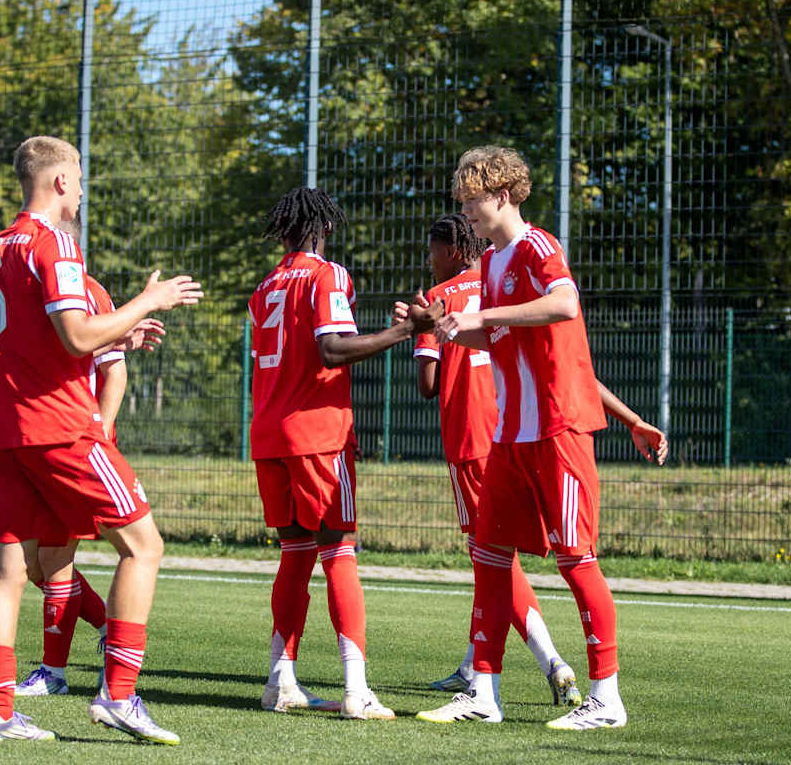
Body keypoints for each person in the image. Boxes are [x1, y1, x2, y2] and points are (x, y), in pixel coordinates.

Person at [417, 146, 666, 730]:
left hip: (558, 430)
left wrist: (477, 319)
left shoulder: (538, 246)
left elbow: (564, 305)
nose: (466, 211)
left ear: (502, 195)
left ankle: (606, 697)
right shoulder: (497, 264)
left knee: (576, 560)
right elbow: (501, 340)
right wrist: (449, 330)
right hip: (512, 436)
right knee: (489, 554)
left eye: (472, 200)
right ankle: (484, 691)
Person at [0, 136, 202, 744]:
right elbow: (74, 337)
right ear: (62, 182)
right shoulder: (55, 245)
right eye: (79, 178)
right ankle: (119, 695)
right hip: (61, 428)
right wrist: (149, 299)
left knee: (7, 572)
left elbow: (38, 343)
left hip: (6, 432)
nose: (82, 189)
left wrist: (116, 340)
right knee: (144, 547)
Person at [250, 186, 439, 721]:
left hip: (269, 433)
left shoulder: (265, 286)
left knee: (294, 555)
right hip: (317, 435)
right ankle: (357, 689)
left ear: (283, 230)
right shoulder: (326, 274)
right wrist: (407, 329)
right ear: (324, 228)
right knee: (339, 553)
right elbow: (332, 347)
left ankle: (280, 681)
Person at [413, 213, 582, 706]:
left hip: (469, 437)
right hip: (514, 428)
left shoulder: (438, 298)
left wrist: (418, 334)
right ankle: (472, 665)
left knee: (492, 558)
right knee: (495, 554)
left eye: (432, 249)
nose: (430, 257)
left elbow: (427, 386)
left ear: (449, 250)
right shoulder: (497, 280)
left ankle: (553, 661)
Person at [16, 273, 163, 697]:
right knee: (34, 565)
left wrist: (97, 433)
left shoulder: (85, 287)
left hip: (78, 441)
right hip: (45, 440)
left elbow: (113, 371)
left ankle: (55, 673)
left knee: (57, 556)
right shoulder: (32, 284)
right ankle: (104, 626)